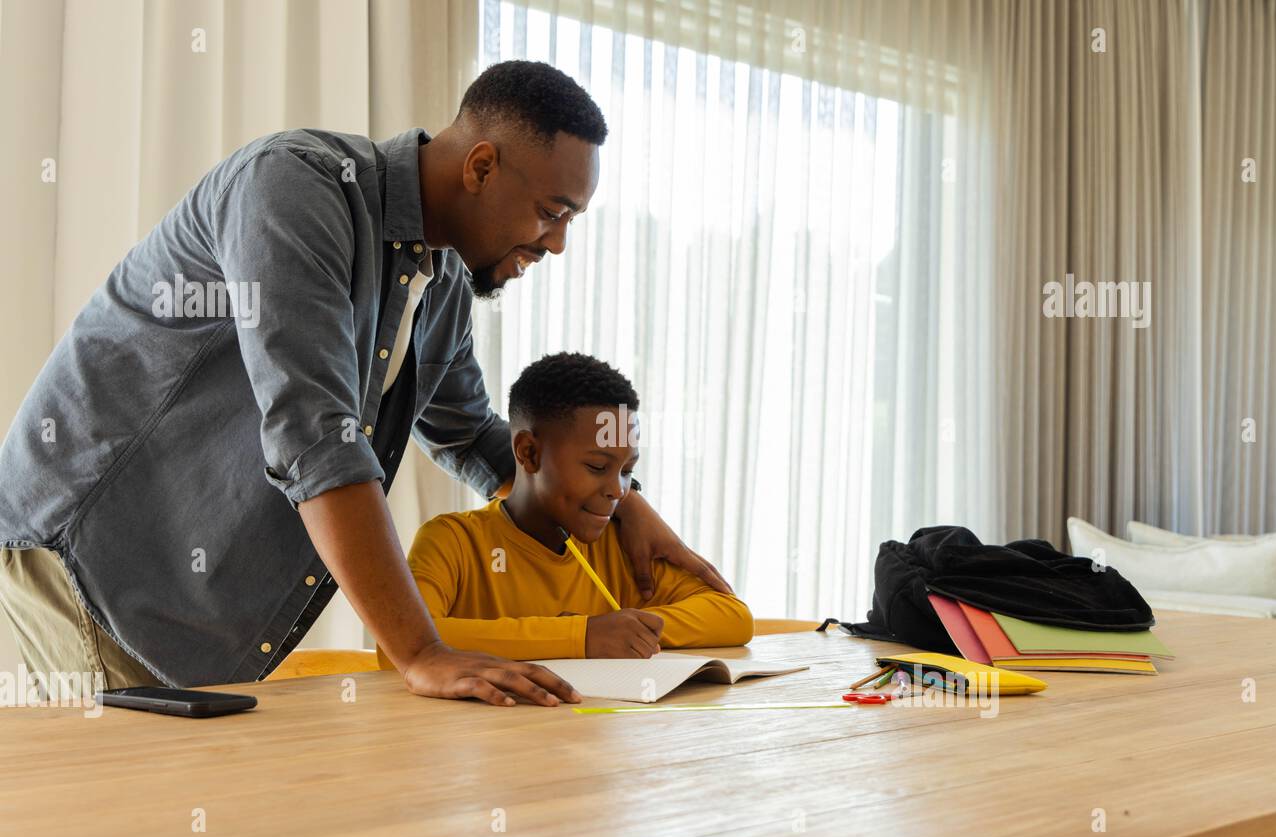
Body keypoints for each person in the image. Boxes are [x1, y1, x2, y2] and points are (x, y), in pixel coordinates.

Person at [0, 60, 730, 708]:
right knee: (123, 822)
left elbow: (470, 432)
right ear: (480, 166)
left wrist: (622, 499)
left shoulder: (439, 278)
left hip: (187, 604)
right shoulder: (293, 188)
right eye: (551, 212)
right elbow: (313, 434)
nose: (558, 243)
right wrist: (422, 652)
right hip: (88, 553)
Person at [393, 353, 752, 663]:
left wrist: (626, 631)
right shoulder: (452, 541)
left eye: (627, 471)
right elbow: (405, 641)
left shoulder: (617, 543)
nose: (617, 490)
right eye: (597, 467)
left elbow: (732, 616)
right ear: (528, 453)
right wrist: (580, 635)